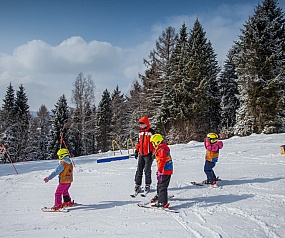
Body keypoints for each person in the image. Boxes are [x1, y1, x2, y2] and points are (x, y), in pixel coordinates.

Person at [149, 134, 173, 208]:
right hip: (164, 170)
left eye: (153, 143)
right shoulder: (160, 147)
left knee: (162, 186)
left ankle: (162, 202)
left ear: (157, 142)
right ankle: (159, 195)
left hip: (165, 170)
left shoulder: (162, 149)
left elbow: (162, 161)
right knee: (159, 184)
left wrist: (159, 171)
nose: (152, 144)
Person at [134, 116, 155, 194]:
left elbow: (154, 144)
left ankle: (147, 184)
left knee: (147, 170)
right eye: (140, 124)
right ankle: (137, 184)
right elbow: (139, 143)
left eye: (142, 124)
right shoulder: (140, 133)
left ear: (146, 124)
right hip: (141, 154)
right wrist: (136, 150)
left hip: (148, 155)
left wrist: (153, 153)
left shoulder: (151, 132)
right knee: (139, 170)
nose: (141, 126)